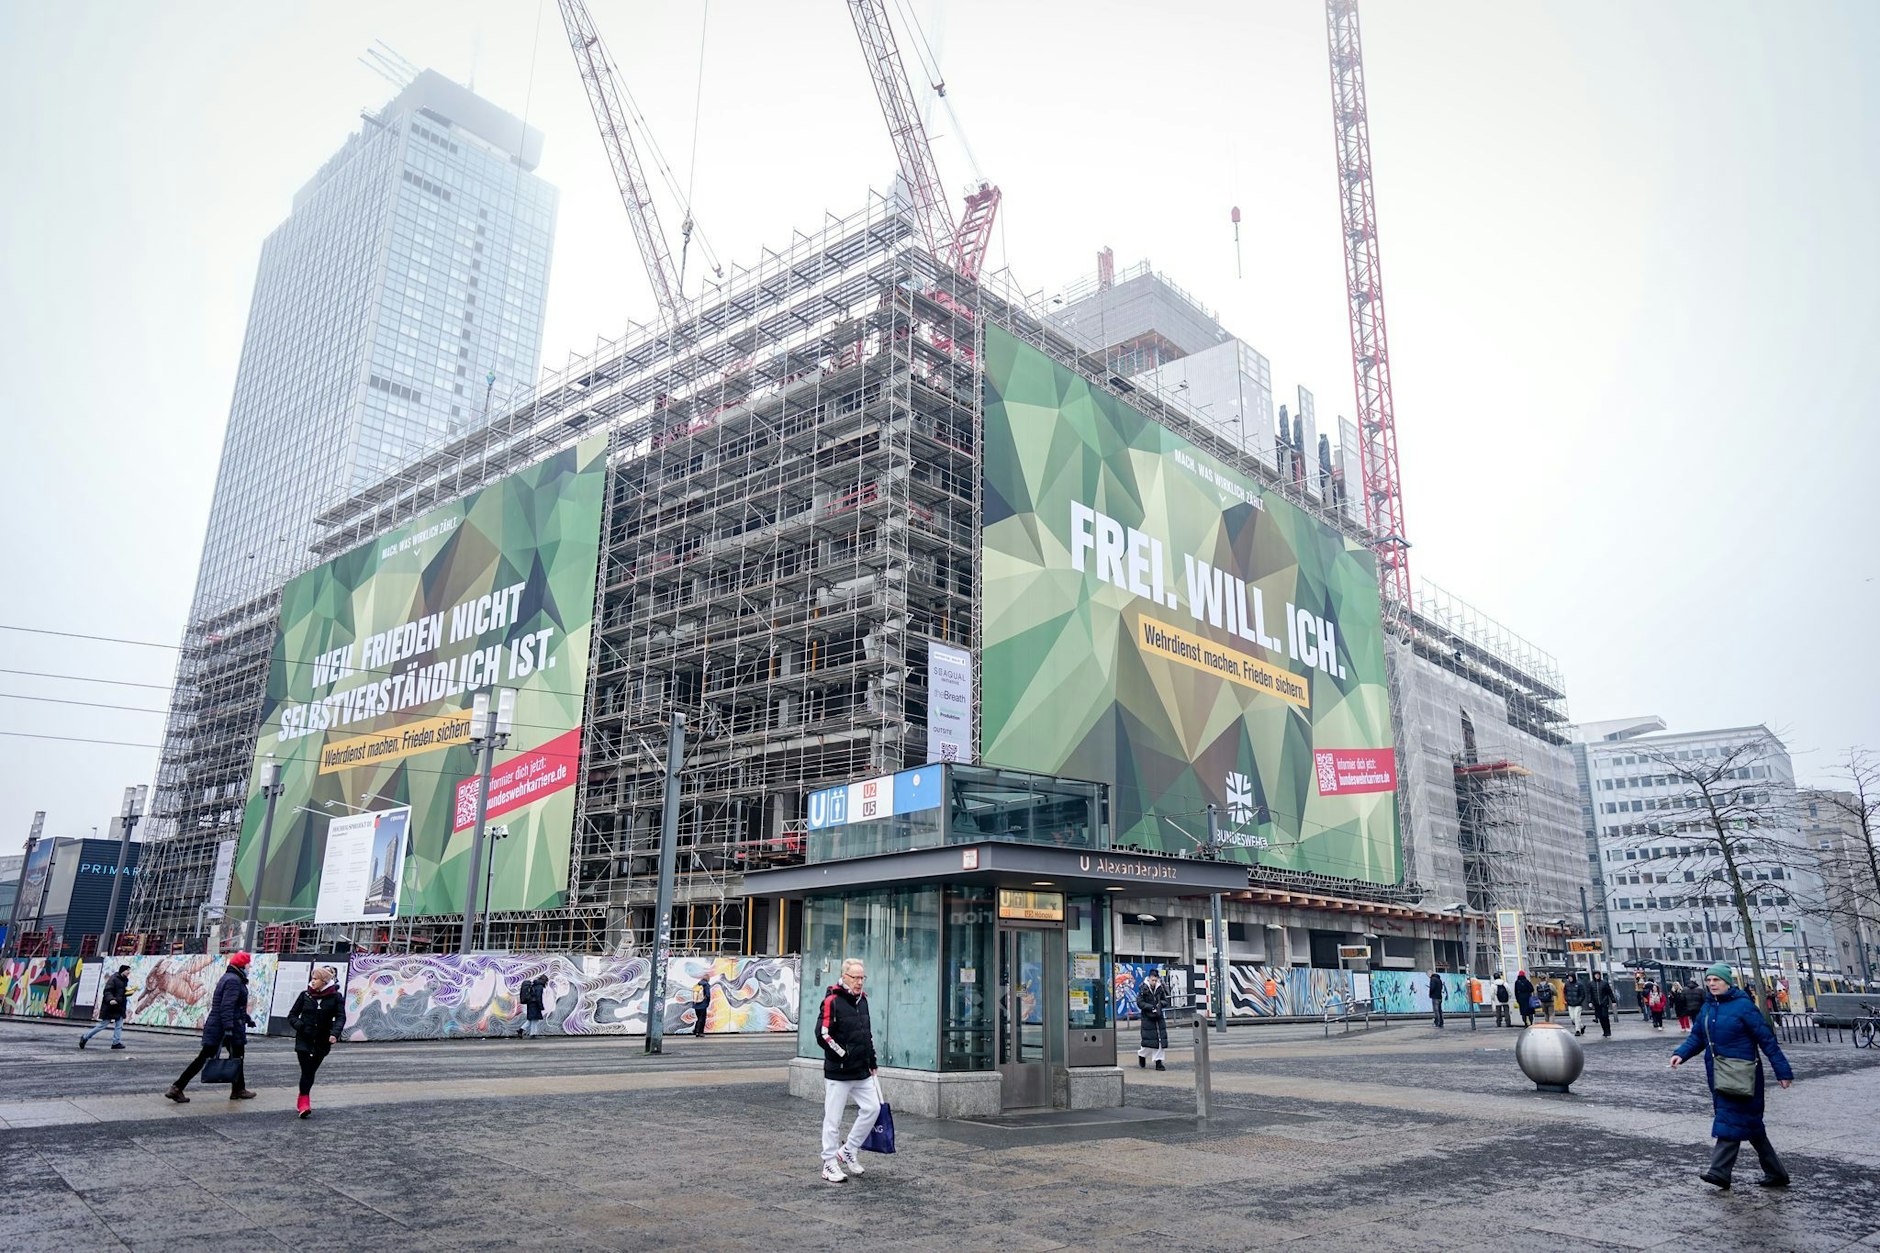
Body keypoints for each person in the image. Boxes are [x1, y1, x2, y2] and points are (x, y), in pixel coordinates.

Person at [1670, 963, 1795, 1190]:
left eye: (1716, 980)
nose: (1711, 984)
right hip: (1719, 1073)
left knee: (1730, 1119)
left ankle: (1719, 1172)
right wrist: (1681, 1054)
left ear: (1728, 982)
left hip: (1742, 1075)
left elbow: (1767, 1040)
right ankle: (1776, 1173)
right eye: (1708, 981)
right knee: (1752, 1126)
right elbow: (1697, 1037)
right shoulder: (1708, 1007)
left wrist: (1782, 1071)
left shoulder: (1743, 1006)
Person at [815, 958, 881, 1185]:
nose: (860, 982)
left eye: (862, 977)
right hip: (839, 1072)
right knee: (833, 1119)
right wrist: (843, 1055)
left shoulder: (863, 1001)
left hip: (862, 1070)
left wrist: (871, 1061)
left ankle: (849, 1150)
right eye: (856, 977)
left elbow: (866, 1034)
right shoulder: (831, 1001)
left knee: (872, 1109)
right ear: (844, 977)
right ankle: (829, 1163)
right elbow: (822, 1034)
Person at [165, 951, 255, 1103]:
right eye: (248, 964)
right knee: (221, 1057)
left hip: (223, 1025)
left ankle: (238, 1089)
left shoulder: (230, 977)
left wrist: (246, 1018)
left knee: (233, 1056)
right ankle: (177, 1087)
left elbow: (234, 1007)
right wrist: (228, 1028)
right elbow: (227, 1006)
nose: (249, 967)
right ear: (242, 964)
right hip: (225, 1028)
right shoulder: (234, 981)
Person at [287, 965, 346, 1118]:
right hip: (304, 1039)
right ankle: (304, 1102)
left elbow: (341, 1017)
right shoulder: (305, 995)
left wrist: (335, 1033)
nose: (312, 982)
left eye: (316, 979)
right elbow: (292, 1015)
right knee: (307, 1070)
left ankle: (302, 1096)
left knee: (310, 1071)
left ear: (324, 981)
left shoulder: (336, 997)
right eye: (312, 978)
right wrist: (299, 1025)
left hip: (322, 1040)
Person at [80, 964, 132, 1050]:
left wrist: (128, 992)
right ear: (123, 970)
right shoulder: (114, 979)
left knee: (119, 1025)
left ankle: (116, 1043)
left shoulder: (124, 980)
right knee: (103, 1025)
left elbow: (121, 992)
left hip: (119, 1005)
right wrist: (111, 999)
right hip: (111, 1006)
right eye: (127, 970)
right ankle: (85, 1037)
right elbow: (107, 991)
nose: (129, 972)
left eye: (129, 970)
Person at [1137, 970, 1171, 1068]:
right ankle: (1141, 1055)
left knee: (1159, 1040)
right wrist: (1150, 1007)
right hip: (1148, 1017)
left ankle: (1158, 1062)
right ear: (1149, 979)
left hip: (1158, 1017)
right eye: (1153, 980)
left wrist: (1160, 1005)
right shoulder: (1143, 989)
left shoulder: (1160, 989)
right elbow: (1140, 1002)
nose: (1154, 982)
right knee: (1149, 1042)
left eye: (1156, 980)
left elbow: (1165, 1000)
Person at [519, 973, 548, 1038]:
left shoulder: (534, 984)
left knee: (531, 1019)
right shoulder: (540, 987)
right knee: (535, 1019)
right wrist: (541, 1006)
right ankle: (533, 1034)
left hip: (531, 1003)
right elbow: (538, 997)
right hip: (535, 1004)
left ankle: (521, 1030)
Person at [1591, 971, 1616, 1038]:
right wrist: (1589, 1002)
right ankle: (1604, 1031)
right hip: (1596, 1003)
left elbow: (1610, 992)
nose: (1597, 976)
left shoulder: (1604, 983)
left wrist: (1613, 1001)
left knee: (1605, 1016)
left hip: (1604, 1002)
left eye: (1598, 975)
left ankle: (1608, 1031)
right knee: (1601, 1018)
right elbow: (1590, 993)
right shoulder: (1591, 984)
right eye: (1596, 975)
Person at [1564, 971, 1588, 1036]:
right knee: (1572, 1018)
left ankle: (1578, 1030)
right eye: (1569, 977)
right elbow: (1565, 992)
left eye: (1571, 977)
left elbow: (1582, 994)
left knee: (1577, 1017)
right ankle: (1582, 1026)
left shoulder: (1579, 984)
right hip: (1570, 1004)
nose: (1570, 978)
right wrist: (1567, 999)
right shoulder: (1567, 984)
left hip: (1578, 1004)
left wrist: (1579, 1001)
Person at [691, 973, 713, 1038]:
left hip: (696, 1005)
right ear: (708, 979)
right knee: (702, 1019)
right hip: (702, 1004)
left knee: (699, 1018)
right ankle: (699, 1032)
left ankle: (696, 1030)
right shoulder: (706, 985)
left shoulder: (698, 984)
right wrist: (707, 1002)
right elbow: (708, 995)